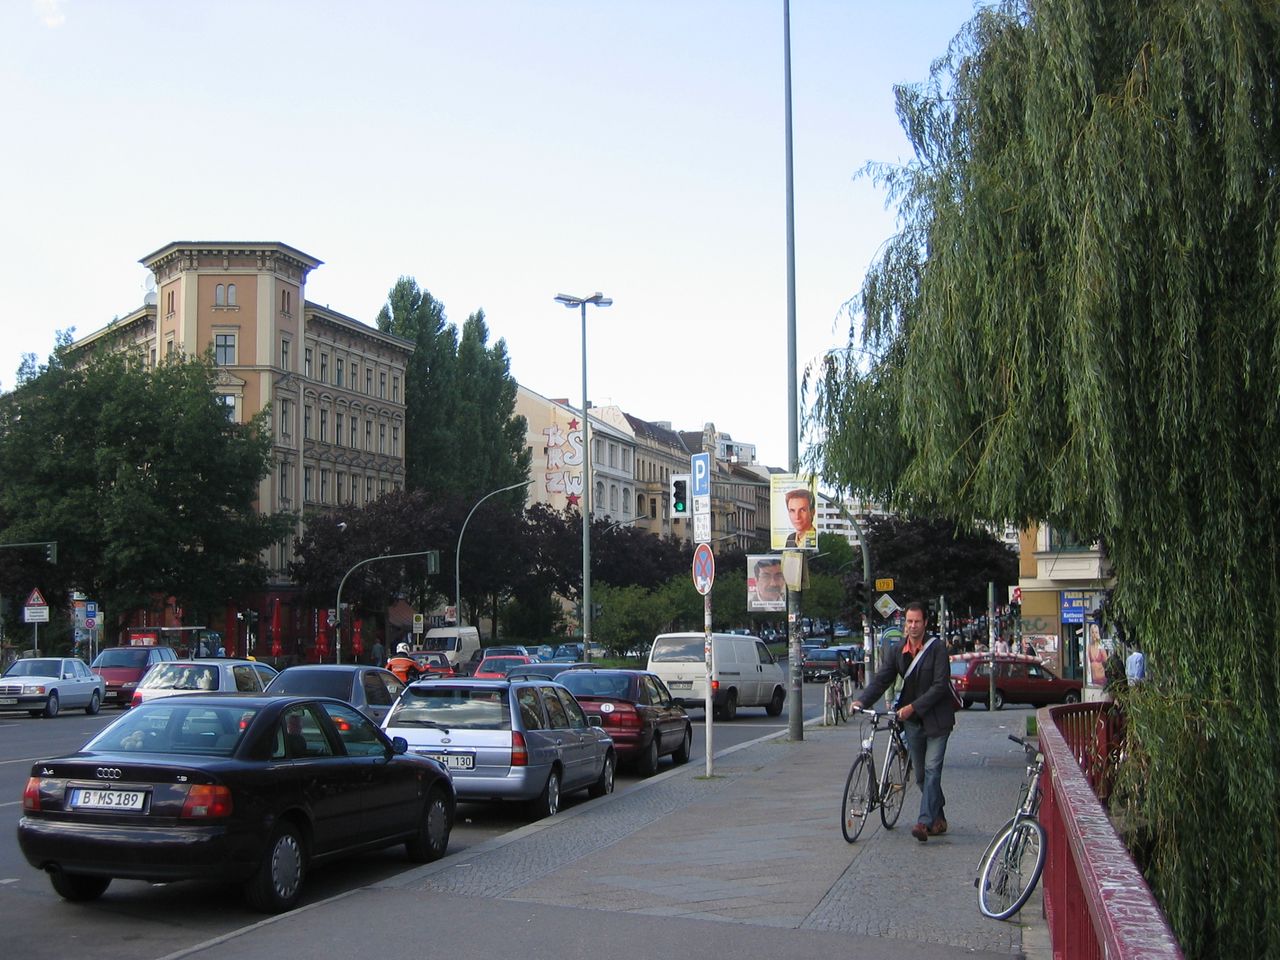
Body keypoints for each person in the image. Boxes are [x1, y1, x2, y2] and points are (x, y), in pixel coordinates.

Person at [851, 601, 956, 842]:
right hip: (913, 722)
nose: (913, 626)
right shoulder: (898, 650)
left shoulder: (937, 649)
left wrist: (912, 707)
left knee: (932, 769)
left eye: (917, 621)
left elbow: (940, 686)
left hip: (938, 721)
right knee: (920, 776)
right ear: (904, 623)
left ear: (925, 623)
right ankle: (938, 818)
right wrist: (862, 701)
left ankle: (924, 823)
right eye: (909, 621)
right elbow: (882, 680)